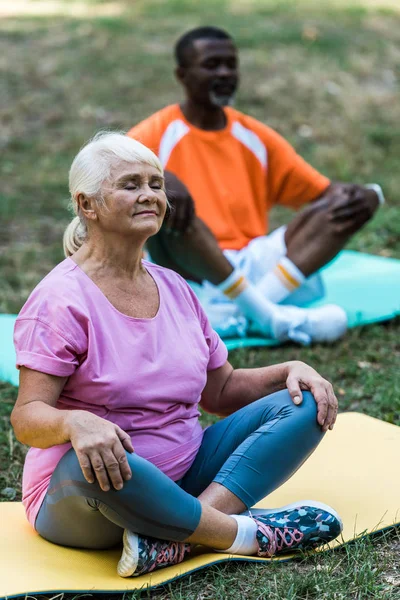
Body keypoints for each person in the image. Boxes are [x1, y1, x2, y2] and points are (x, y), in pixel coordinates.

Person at [11, 132, 342, 578]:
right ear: (87, 205)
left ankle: (180, 536)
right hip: (96, 496)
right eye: (130, 185)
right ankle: (245, 535)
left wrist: (288, 369)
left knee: (302, 404)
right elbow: (27, 418)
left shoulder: (174, 287)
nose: (149, 195)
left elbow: (221, 392)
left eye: (156, 184)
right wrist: (74, 423)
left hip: (187, 473)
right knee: (91, 460)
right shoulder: (60, 299)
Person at [127, 26, 385, 345]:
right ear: (182, 74)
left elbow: (327, 195)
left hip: (256, 264)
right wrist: (158, 180)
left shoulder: (254, 136)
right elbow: (109, 183)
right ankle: (266, 314)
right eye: (211, 65)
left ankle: (251, 313)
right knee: (161, 202)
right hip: (191, 269)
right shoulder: (153, 133)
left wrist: (370, 195)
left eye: (230, 64)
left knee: (345, 208)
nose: (224, 73)